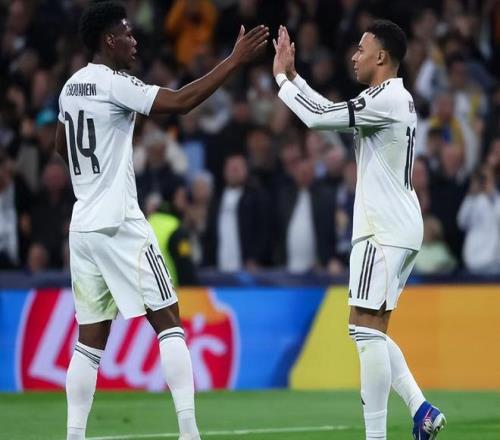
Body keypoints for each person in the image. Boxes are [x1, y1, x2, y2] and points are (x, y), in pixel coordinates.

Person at [54, 3, 268, 440]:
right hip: (120, 220)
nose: (134, 41)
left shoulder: (70, 87)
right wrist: (234, 61)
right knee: (169, 320)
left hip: (84, 225)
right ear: (109, 40)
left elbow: (62, 146)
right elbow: (181, 102)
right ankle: (189, 432)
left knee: (89, 340)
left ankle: (74, 435)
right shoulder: (116, 84)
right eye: (127, 34)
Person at [273, 21, 446, 440]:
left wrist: (280, 79)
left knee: (367, 331)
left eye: (362, 49)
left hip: (382, 229)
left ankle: (377, 436)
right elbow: (331, 113)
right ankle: (421, 409)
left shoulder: (384, 99)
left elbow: (318, 118)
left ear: (381, 57)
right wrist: (296, 79)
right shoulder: (393, 98)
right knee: (365, 327)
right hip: (397, 225)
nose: (354, 56)